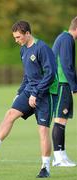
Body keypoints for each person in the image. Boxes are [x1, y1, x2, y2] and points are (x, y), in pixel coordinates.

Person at [0, 21, 57, 178]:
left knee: (43, 130)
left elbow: (50, 74)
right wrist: (20, 93)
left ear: (27, 33)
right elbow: (27, 74)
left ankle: (45, 168)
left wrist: (36, 93)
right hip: (29, 90)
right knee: (10, 113)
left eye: (18, 37)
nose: (16, 40)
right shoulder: (23, 50)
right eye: (15, 37)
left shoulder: (42, 48)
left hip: (45, 94)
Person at [52, 16, 77, 167]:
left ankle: (62, 155)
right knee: (60, 120)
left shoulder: (64, 37)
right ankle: (58, 158)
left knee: (62, 120)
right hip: (62, 84)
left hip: (63, 83)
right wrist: (74, 86)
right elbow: (67, 64)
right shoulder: (68, 39)